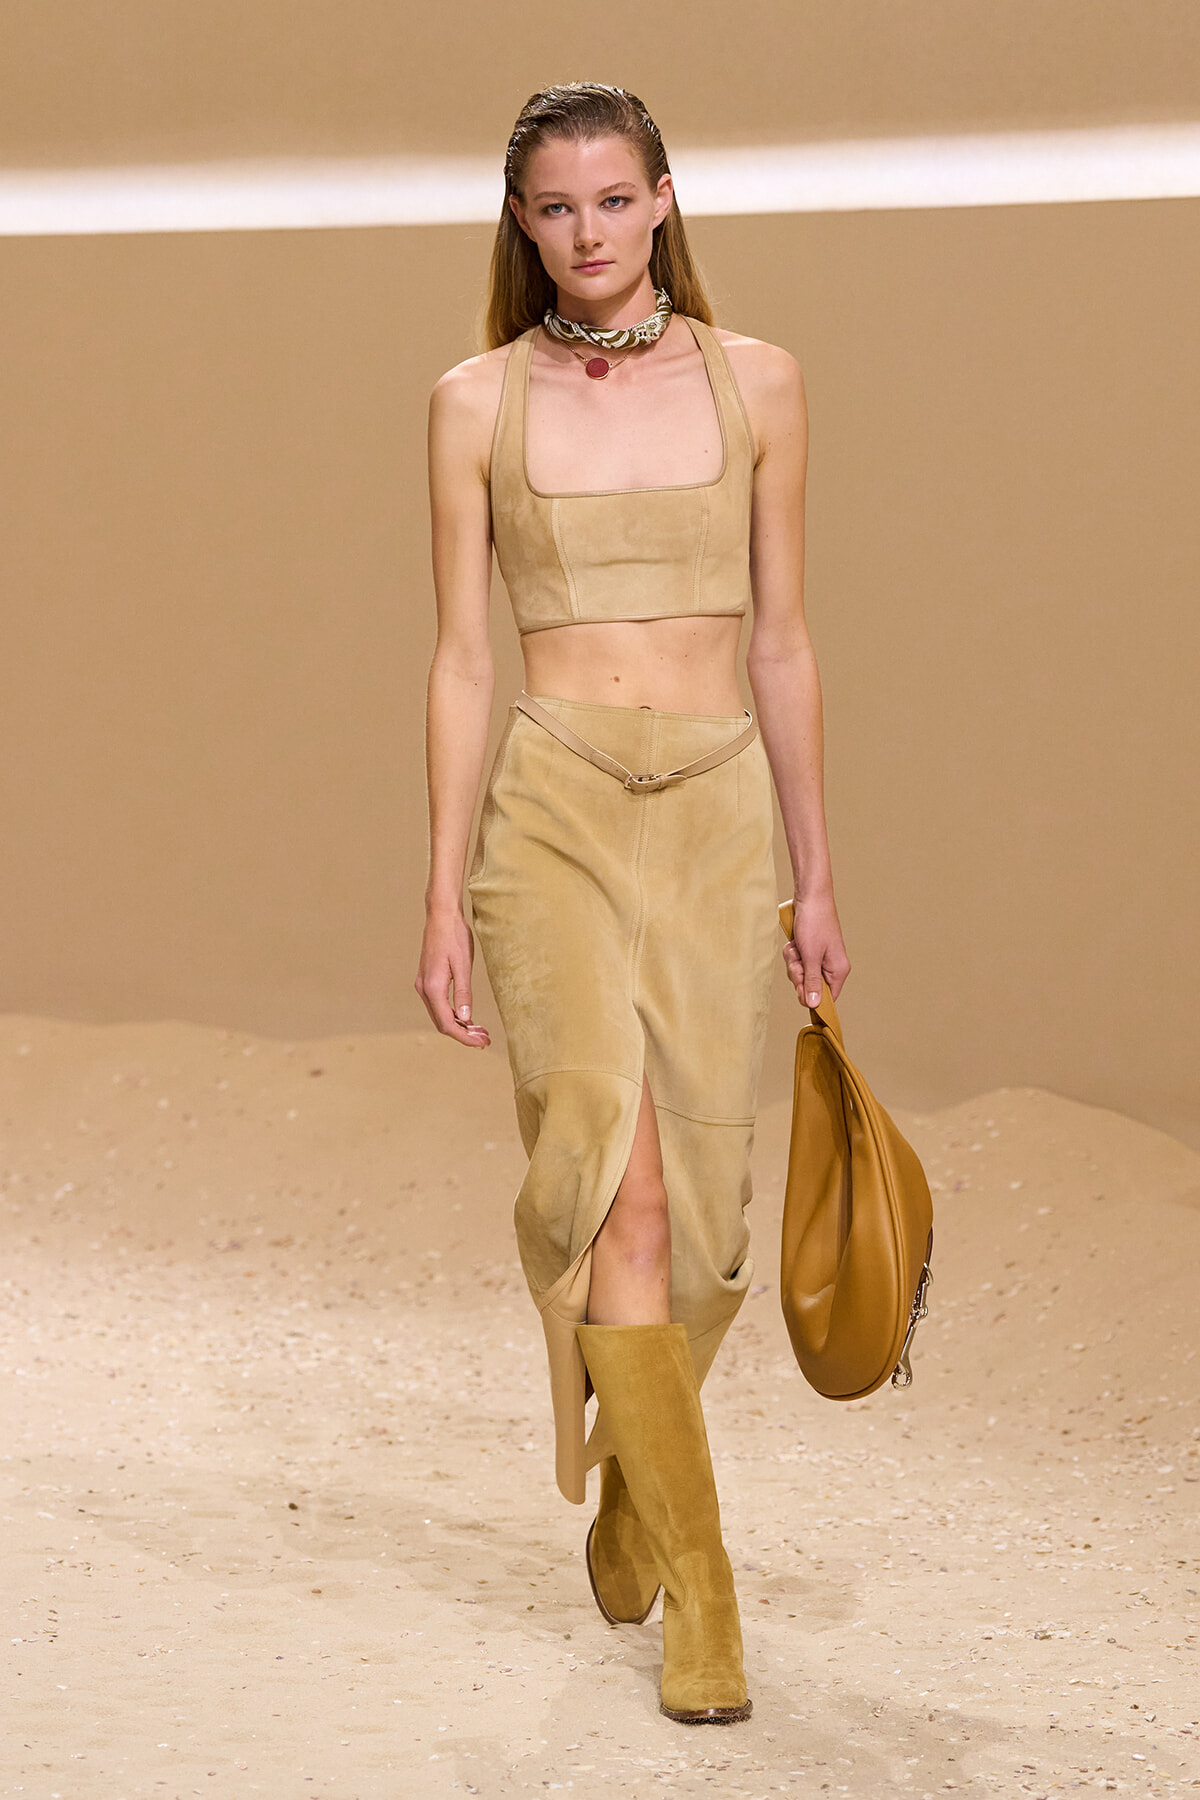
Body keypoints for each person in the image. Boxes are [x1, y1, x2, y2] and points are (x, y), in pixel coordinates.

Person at [416, 81, 850, 1724]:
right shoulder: (473, 403)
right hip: (554, 813)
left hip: (724, 817)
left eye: (614, 199)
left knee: (718, 1225)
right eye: (555, 208)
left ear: (664, 199)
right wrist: (446, 889)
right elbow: (464, 659)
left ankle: (632, 1503)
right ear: (520, 225)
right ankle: (710, 1617)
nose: (587, 234)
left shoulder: (764, 385)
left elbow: (786, 640)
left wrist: (817, 869)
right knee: (624, 1191)